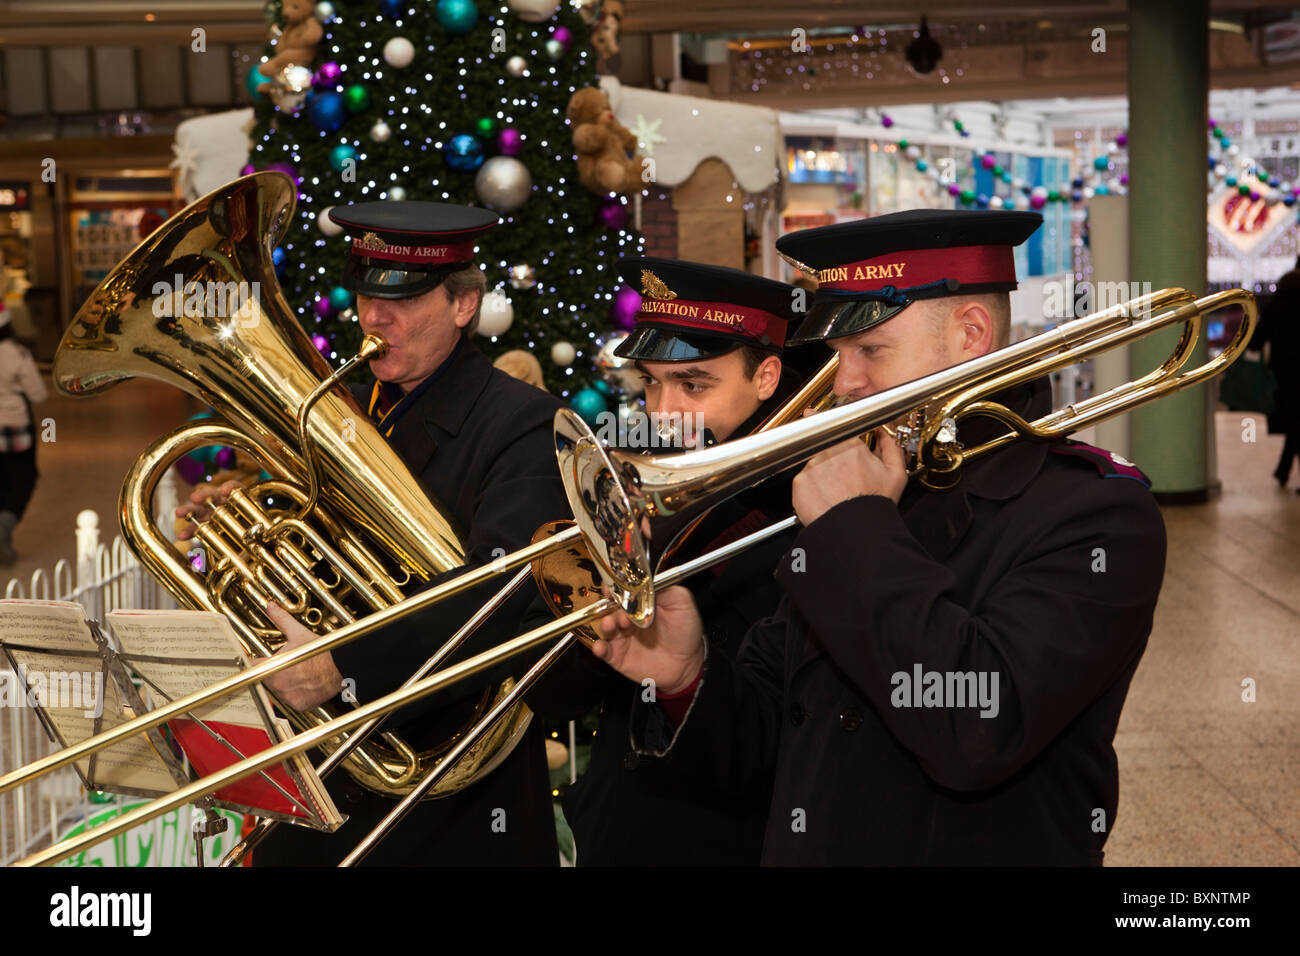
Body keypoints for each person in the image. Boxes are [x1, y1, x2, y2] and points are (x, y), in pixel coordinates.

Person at [588, 209, 1168, 865]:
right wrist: (686, 675)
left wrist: (854, 531)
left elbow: (977, 730)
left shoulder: (1096, 511)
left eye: (871, 351)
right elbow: (764, 743)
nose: (845, 383)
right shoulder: (864, 488)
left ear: (971, 334)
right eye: (840, 355)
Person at [177, 202, 568, 866]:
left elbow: (502, 595)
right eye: (365, 293)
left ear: (464, 306)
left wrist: (342, 666)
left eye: (406, 297)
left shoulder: (525, 425)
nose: (373, 315)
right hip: (325, 777)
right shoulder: (339, 412)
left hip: (449, 803)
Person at [528, 256, 810, 865]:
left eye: (693, 385)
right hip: (623, 826)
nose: (662, 412)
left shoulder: (807, 502)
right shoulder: (658, 478)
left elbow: (769, 735)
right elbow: (560, 695)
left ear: (766, 377)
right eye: (652, 382)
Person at [0, 304, 47, 566]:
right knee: (22, 480)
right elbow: (38, 394)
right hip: (15, 428)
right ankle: (4, 528)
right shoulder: (17, 354)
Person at [1250, 255, 1300, 489]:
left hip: (1285, 372)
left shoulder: (1279, 300)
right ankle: (1284, 468)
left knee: (1294, 420)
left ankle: (1283, 468)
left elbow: (1258, 337)